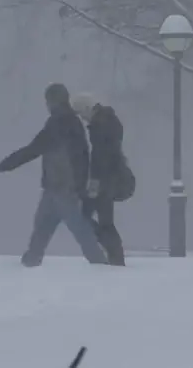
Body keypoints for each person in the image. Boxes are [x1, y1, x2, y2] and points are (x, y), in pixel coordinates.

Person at [0, 83, 107, 267]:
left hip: (63, 187)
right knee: (43, 223)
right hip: (57, 186)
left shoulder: (59, 122)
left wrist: (9, 163)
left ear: (53, 101)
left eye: (48, 101)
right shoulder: (72, 121)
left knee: (77, 227)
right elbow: (82, 155)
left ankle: (100, 262)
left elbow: (36, 148)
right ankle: (32, 258)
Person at [71, 92, 129, 266]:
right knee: (95, 219)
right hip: (109, 178)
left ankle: (115, 256)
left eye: (82, 114)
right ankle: (114, 255)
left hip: (105, 181)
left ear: (88, 109)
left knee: (98, 220)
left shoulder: (100, 126)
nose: (83, 118)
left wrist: (94, 184)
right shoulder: (109, 121)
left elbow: (100, 158)